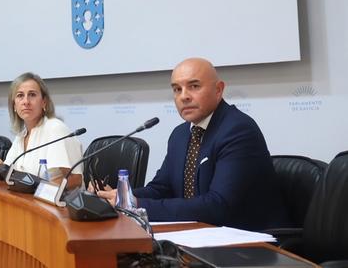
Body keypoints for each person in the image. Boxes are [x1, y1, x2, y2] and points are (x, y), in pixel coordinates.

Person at [94, 57, 290, 230]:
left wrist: (136, 204)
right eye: (177, 89)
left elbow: (218, 206)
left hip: (250, 242)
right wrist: (118, 196)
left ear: (218, 89)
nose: (184, 96)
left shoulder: (237, 130)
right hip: (201, 234)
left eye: (194, 86)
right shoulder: (180, 134)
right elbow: (161, 188)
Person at [0, 72, 83, 187]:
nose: (26, 102)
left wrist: (42, 190)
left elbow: (76, 179)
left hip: (55, 203)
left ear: (44, 102)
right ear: (14, 105)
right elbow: (9, 172)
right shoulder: (21, 135)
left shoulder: (55, 129)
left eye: (32, 95)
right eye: (20, 96)